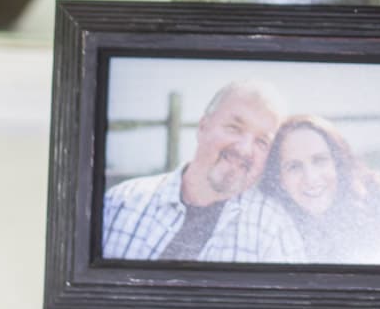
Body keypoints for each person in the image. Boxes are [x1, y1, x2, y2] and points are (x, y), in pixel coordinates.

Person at [102, 80, 304, 263]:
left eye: (262, 141)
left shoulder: (274, 231)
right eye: (234, 128)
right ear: (202, 127)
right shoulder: (120, 203)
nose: (244, 149)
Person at [260, 115, 380, 265]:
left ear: (338, 163)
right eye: (294, 166)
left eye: (320, 160)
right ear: (280, 179)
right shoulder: (273, 229)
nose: (311, 178)